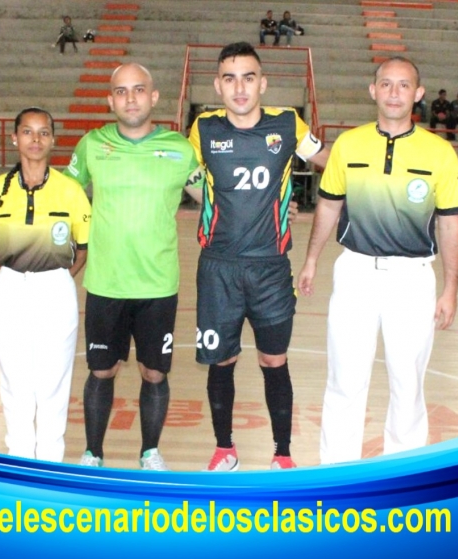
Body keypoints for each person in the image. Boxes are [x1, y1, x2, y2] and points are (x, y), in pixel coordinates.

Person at [297, 56, 458, 464]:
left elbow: (451, 225)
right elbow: (329, 207)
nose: (394, 92)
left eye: (403, 85)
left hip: (412, 280)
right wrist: (312, 260)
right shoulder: (349, 146)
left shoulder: (440, 153)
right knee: (345, 381)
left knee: (408, 384)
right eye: (386, 84)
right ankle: (336, 478)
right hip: (355, 273)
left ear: (418, 94)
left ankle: (399, 478)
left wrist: (451, 288)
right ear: (373, 90)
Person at [189, 42, 329, 471]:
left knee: (274, 360)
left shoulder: (287, 124)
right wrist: (207, 199)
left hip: (270, 266)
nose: (240, 87)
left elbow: (330, 162)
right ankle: (224, 449)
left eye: (248, 77)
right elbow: (181, 175)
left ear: (263, 83)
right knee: (222, 360)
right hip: (218, 267)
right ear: (217, 85)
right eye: (229, 79)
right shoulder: (203, 128)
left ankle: (282, 455)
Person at [65, 64, 203, 470]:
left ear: (154, 96)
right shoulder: (92, 144)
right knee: (102, 370)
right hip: (105, 282)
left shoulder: (180, 149)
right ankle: (93, 453)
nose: (130, 98)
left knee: (154, 373)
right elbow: (62, 192)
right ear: (110, 100)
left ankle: (150, 453)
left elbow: (215, 199)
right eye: (121, 91)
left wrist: (274, 207)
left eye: (138, 89)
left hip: (157, 284)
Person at [0, 107, 91, 462]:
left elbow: (82, 250)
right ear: (15, 138)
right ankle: (19, 462)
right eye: (28, 132)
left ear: (53, 140)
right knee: (15, 383)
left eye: (44, 132)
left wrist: (52, 277)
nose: (36, 139)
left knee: (54, 385)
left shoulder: (72, 191)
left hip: (56, 290)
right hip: (9, 289)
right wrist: (20, 272)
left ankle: (50, 467)